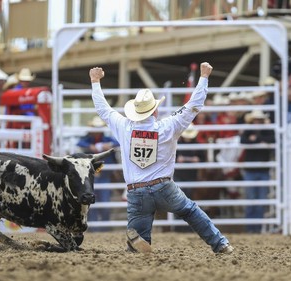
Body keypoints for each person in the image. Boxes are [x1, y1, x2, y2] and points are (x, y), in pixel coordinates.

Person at [89, 62, 234, 254]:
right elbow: (193, 106)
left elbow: (103, 109)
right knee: (190, 211)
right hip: (164, 187)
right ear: (154, 110)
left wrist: (95, 82)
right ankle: (220, 244)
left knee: (138, 239)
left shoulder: (124, 127)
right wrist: (204, 78)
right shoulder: (168, 126)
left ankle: (139, 243)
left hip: (136, 191)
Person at [77, 115, 120, 231]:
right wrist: (92, 147)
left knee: (105, 203)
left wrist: (105, 146)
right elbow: (80, 143)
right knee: (91, 204)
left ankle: (105, 228)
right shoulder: (87, 140)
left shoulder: (107, 140)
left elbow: (117, 142)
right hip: (91, 177)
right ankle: (93, 228)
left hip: (104, 175)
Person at [240, 110, 275, 233]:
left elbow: (273, 139)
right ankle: (251, 228)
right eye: (256, 119)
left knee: (260, 200)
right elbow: (243, 140)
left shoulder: (267, 130)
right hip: (251, 170)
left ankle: (257, 228)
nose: (258, 121)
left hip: (262, 170)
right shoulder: (249, 130)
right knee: (251, 199)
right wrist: (260, 140)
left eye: (260, 119)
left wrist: (256, 139)